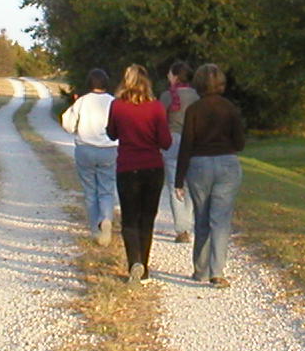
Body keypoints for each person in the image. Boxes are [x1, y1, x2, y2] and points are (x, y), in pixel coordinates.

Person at [174, 62, 246, 287]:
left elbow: (186, 144)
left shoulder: (193, 110)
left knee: (202, 217)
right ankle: (217, 272)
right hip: (227, 165)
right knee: (221, 220)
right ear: (221, 83)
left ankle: (200, 270)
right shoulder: (230, 108)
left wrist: (179, 180)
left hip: (199, 166)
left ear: (198, 84)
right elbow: (240, 143)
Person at [105, 63, 171, 284]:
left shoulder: (117, 106)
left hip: (127, 167)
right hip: (153, 167)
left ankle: (134, 262)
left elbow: (112, 134)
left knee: (130, 218)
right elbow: (166, 142)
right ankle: (144, 269)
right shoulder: (156, 107)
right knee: (147, 219)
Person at [59, 69, 117, 245]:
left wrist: (76, 129)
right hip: (109, 149)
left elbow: (67, 124)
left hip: (85, 149)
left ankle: (95, 230)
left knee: (90, 191)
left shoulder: (82, 102)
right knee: (106, 189)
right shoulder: (113, 102)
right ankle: (106, 218)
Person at [159, 60, 200, 243]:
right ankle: (188, 224)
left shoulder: (167, 96)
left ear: (175, 76)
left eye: (170, 73)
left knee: (174, 185)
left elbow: (158, 121)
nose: (168, 76)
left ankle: (181, 229)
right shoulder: (197, 96)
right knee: (191, 185)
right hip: (194, 141)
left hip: (173, 141)